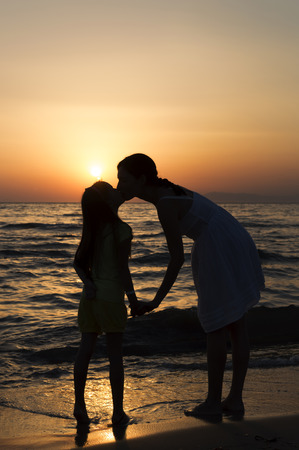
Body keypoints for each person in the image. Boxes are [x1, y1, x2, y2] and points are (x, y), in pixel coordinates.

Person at [117, 153, 265, 418]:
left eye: (124, 180)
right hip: (228, 237)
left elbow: (177, 257)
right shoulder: (167, 192)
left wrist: (156, 300)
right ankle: (234, 400)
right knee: (235, 323)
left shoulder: (164, 202)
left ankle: (212, 403)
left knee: (217, 324)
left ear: (141, 179)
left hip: (217, 244)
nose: (119, 186)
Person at [73, 180, 142, 427]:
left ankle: (79, 405)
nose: (117, 190)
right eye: (112, 189)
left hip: (89, 300)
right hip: (111, 300)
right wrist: (133, 299)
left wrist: (89, 284)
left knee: (85, 350)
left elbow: (77, 263)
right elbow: (123, 270)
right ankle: (118, 412)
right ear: (107, 200)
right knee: (115, 356)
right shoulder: (121, 229)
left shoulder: (93, 228)